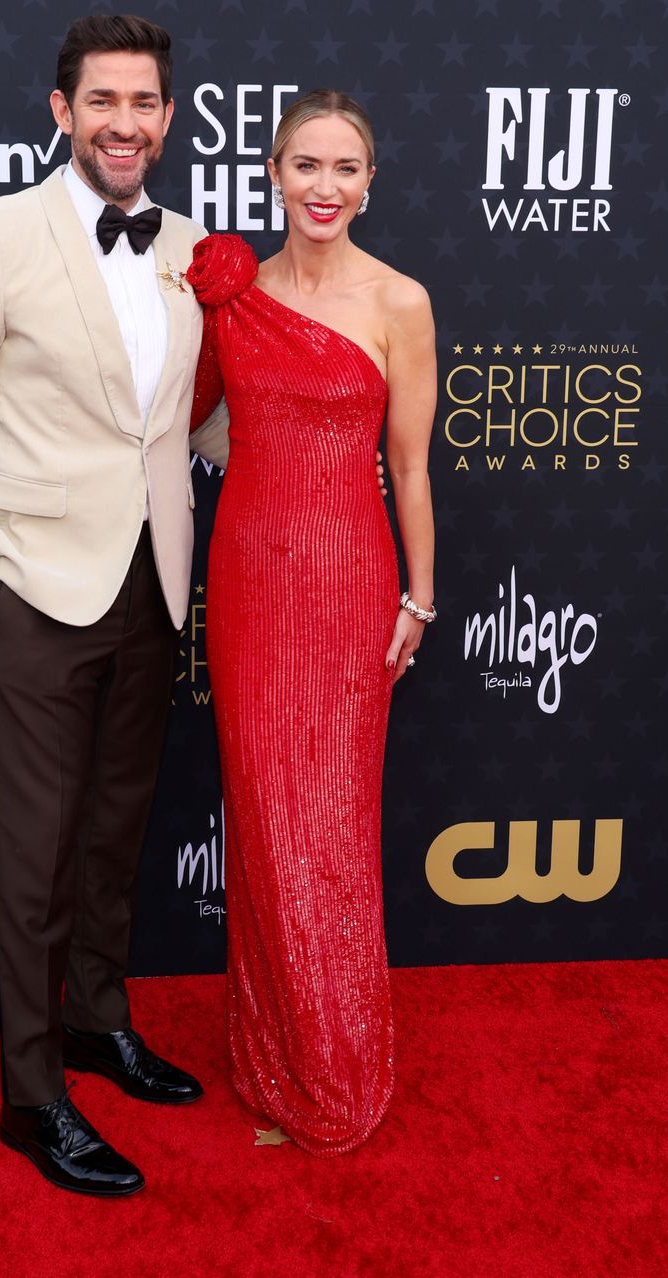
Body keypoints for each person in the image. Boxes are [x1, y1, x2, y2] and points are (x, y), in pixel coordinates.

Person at [0, 14, 232, 1198]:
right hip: (35, 586)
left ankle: (97, 1020)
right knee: (36, 851)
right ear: (61, 112)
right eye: (102, 101)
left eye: (143, 103)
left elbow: (192, 422)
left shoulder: (190, 247)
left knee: (114, 830)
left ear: (169, 118)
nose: (122, 124)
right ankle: (31, 1093)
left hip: (153, 582)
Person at [187, 89, 437, 1154]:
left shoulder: (400, 301)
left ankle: (335, 1062)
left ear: (369, 183)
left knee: (329, 823)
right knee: (261, 815)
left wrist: (418, 596)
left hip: (348, 583)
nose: (324, 186)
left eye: (345, 168)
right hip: (249, 577)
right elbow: (188, 422)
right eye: (305, 165)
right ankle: (271, 1049)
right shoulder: (233, 296)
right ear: (273, 175)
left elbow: (410, 467)